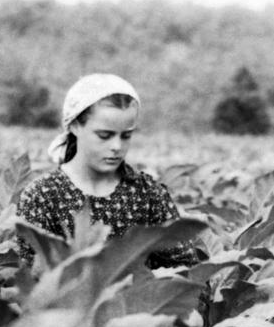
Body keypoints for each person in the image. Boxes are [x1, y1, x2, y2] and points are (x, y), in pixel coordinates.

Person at [16, 73, 200, 270]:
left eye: (126, 135)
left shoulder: (147, 194)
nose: (117, 146)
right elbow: (32, 282)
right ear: (75, 126)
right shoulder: (43, 195)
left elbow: (187, 272)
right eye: (105, 135)